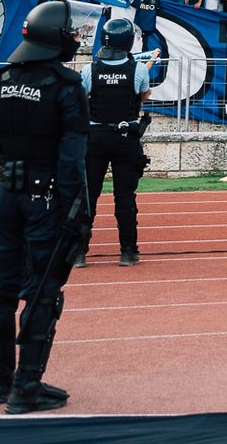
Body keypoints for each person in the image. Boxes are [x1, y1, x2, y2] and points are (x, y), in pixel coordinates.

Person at [0, 1, 90, 413]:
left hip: (5, 195)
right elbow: (73, 158)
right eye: (70, 32)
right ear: (56, 37)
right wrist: (79, 214)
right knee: (43, 291)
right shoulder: (66, 85)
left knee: (0, 290)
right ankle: (26, 388)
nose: (75, 37)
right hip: (46, 196)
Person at [80, 16, 151, 268]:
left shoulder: (90, 69)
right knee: (124, 197)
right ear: (129, 42)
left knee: (88, 195)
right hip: (125, 137)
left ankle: (78, 253)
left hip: (95, 138)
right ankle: (128, 252)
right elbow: (141, 97)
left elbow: (82, 98)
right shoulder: (139, 69)